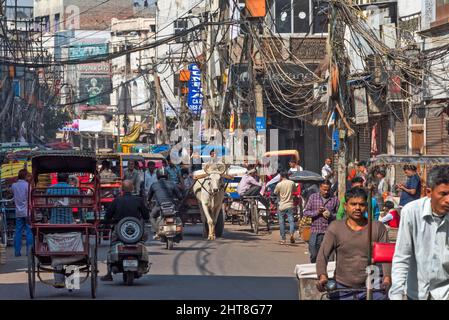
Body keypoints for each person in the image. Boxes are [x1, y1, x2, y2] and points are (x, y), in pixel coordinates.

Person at [316, 187, 391, 300]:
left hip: (372, 286)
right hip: (343, 288)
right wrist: (322, 276)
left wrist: (387, 278)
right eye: (353, 204)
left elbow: (386, 257)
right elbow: (322, 255)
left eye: (361, 204)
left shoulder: (377, 227)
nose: (357, 208)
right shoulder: (335, 228)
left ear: (366, 206)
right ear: (346, 206)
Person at [389, 166, 449, 300]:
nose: (448, 200)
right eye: (443, 194)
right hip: (416, 293)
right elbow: (402, 256)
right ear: (429, 192)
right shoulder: (411, 212)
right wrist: (396, 294)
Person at [100, 180, 150, 281]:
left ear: (122, 189)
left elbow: (107, 216)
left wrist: (107, 223)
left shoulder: (117, 200)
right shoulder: (138, 200)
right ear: (132, 189)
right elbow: (146, 216)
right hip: (137, 231)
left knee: (112, 246)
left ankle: (109, 273)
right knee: (143, 240)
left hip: (119, 231)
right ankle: (144, 263)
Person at [46, 173, 80, 287]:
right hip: (69, 223)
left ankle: (58, 280)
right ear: (67, 179)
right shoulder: (73, 190)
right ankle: (72, 282)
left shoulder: (50, 190)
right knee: (71, 249)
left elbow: (46, 207)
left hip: (54, 223)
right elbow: (79, 205)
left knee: (56, 249)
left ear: (57, 179)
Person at [303, 180, 339, 263]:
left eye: (328, 190)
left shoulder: (335, 200)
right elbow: (305, 212)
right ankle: (315, 271)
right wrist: (317, 212)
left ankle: (328, 274)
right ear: (320, 188)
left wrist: (331, 215)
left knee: (329, 256)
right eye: (324, 189)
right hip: (316, 230)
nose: (326, 191)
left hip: (329, 232)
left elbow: (339, 215)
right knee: (314, 253)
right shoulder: (313, 197)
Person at [148, 168, 183, 239]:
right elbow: (180, 196)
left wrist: (149, 201)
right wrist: (179, 199)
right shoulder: (172, 184)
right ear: (167, 176)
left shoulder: (154, 185)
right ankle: (179, 233)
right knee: (178, 215)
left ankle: (157, 231)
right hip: (172, 206)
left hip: (159, 206)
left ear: (157, 176)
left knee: (151, 216)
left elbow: (149, 197)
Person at [11, 169, 33, 257]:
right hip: (27, 212)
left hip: (18, 212)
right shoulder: (28, 185)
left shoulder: (14, 185)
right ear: (25, 176)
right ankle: (29, 252)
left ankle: (17, 252)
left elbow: (14, 195)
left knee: (18, 232)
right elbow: (30, 198)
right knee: (29, 231)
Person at [273, 171, 296, 244]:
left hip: (282, 205)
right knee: (291, 220)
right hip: (290, 204)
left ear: (281, 176)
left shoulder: (279, 184)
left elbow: (275, 192)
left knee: (281, 222)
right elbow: (295, 190)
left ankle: (283, 239)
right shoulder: (292, 183)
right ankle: (291, 233)